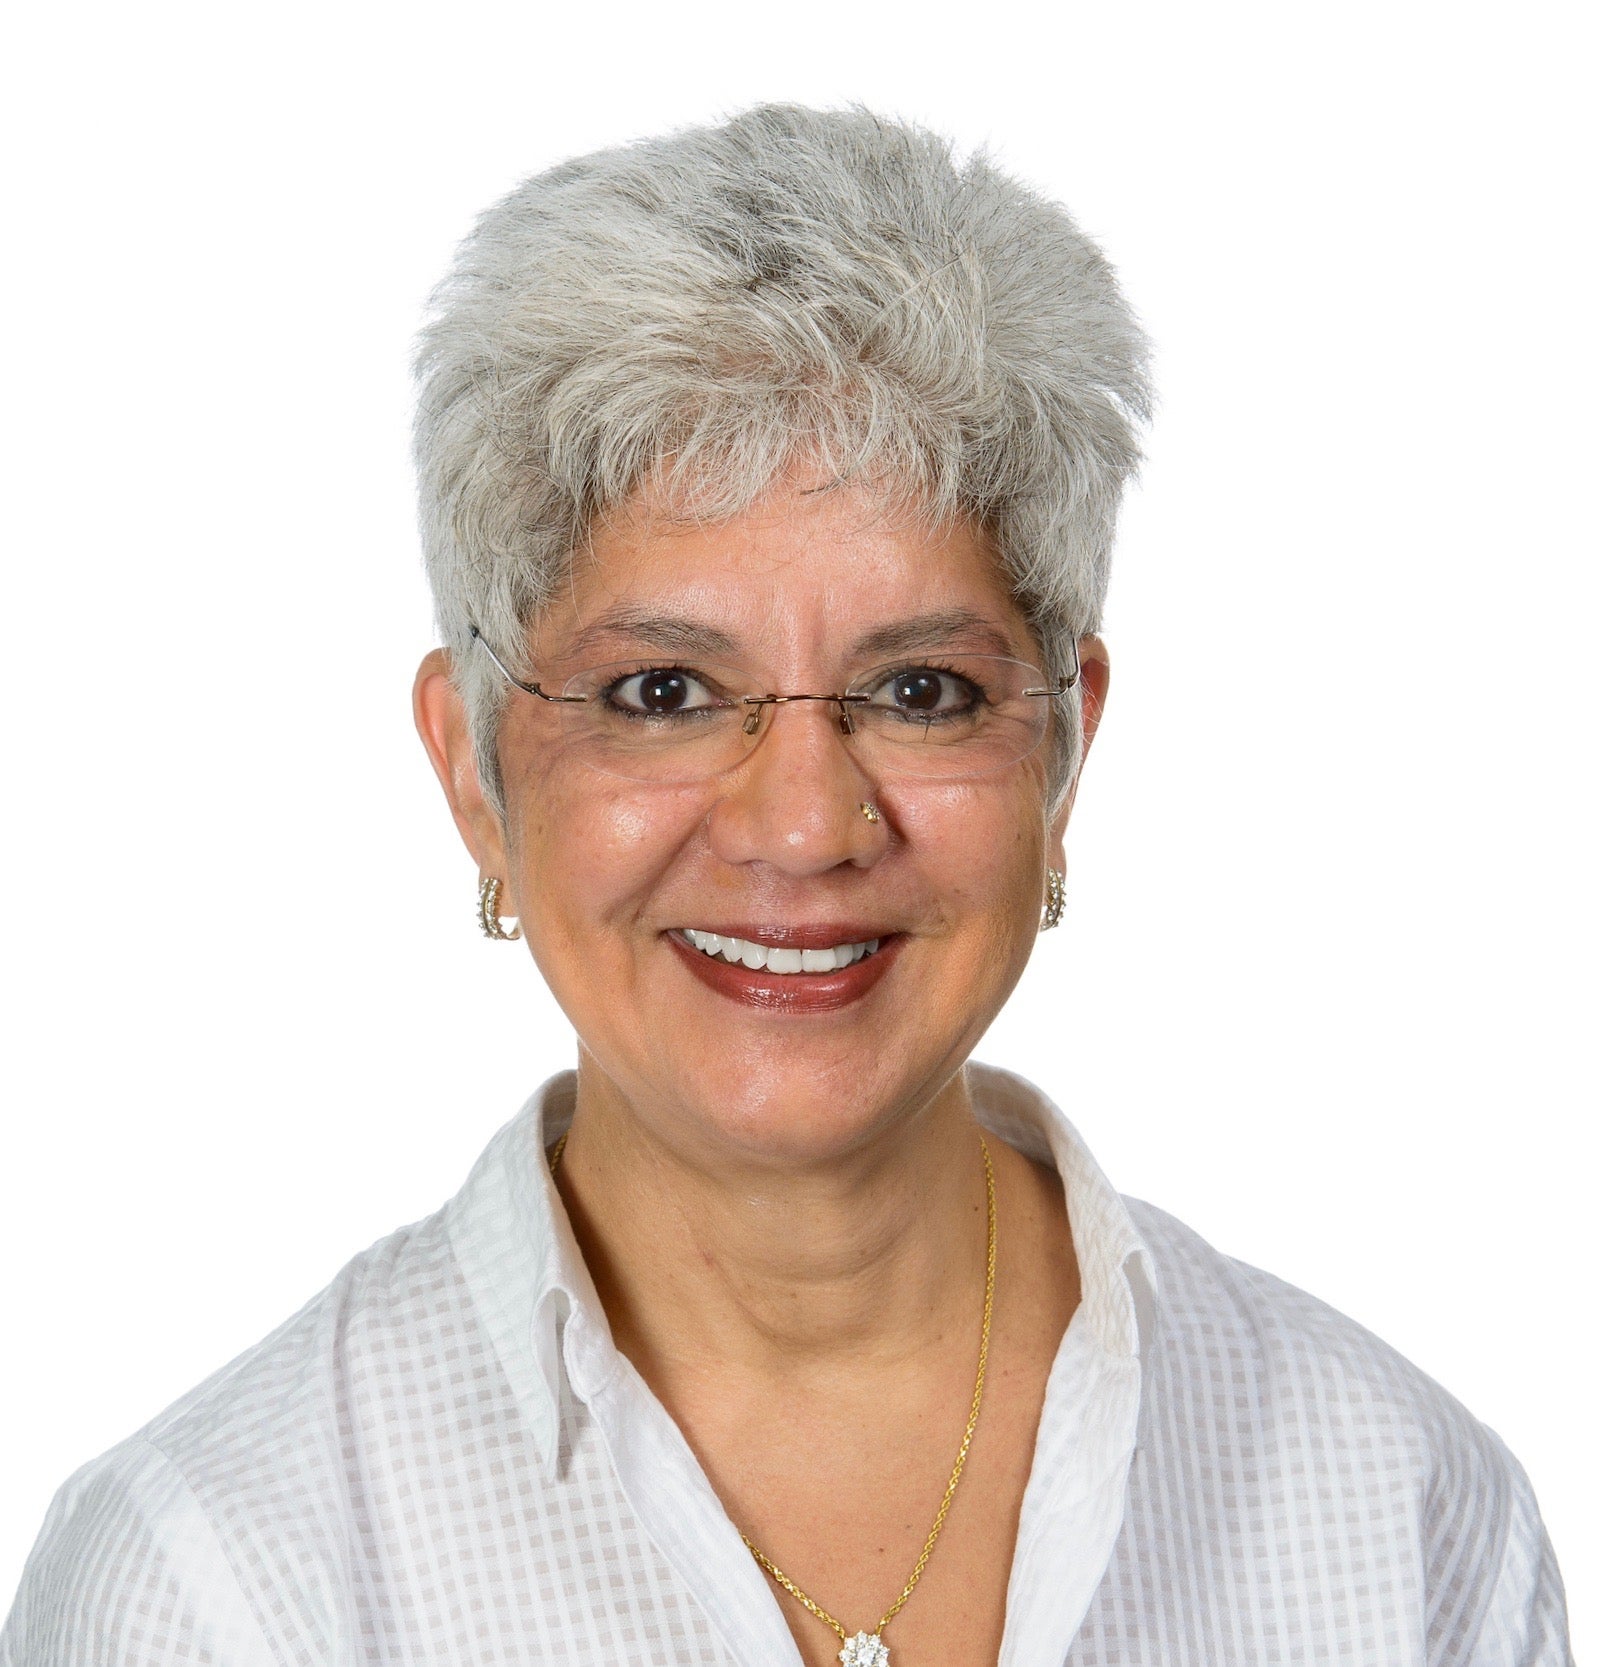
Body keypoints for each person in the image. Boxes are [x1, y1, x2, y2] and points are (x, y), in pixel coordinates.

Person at [2, 103, 1571, 1667]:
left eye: (923, 692)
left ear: (1065, 752)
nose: (807, 828)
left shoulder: (1401, 1505)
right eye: (664, 694)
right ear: (475, 773)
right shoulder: (212, 1579)